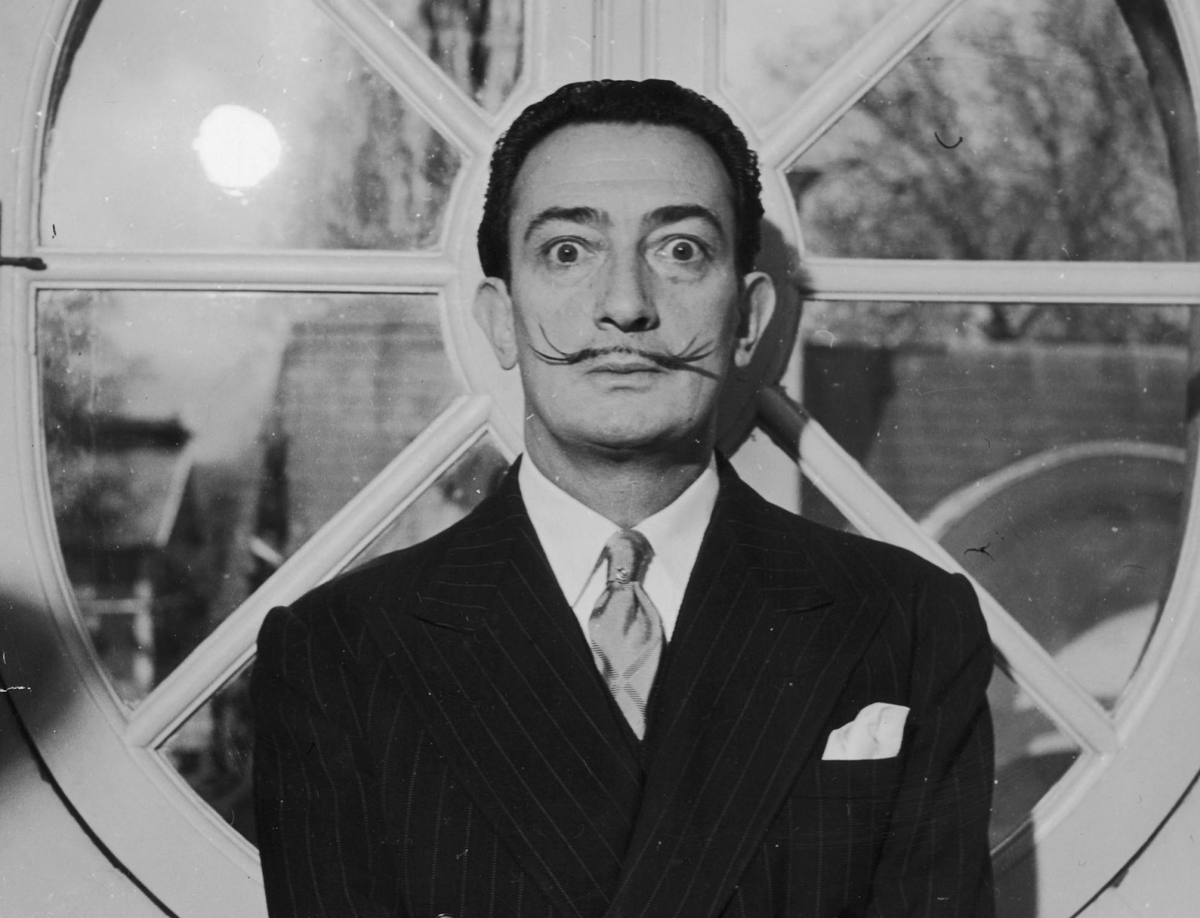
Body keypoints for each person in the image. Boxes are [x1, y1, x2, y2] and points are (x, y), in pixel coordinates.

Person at [251, 79, 995, 918]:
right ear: (498, 318)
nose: (627, 306)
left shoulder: (908, 625)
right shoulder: (340, 654)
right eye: (568, 251)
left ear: (749, 318)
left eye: (681, 251)